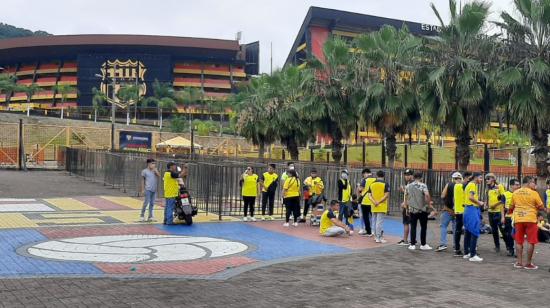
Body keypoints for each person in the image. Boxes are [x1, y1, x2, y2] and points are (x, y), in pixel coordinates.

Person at [510, 176, 548, 269]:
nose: (534, 184)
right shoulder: (534, 193)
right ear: (528, 182)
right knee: (531, 241)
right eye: (533, 183)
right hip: (531, 219)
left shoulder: (515, 193)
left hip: (519, 219)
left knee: (519, 241)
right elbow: (541, 206)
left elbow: (511, 206)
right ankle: (528, 264)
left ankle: (519, 262)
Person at [406, 172, 436, 250]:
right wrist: (429, 203)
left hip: (412, 209)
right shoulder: (423, 185)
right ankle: (423, 244)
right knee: (423, 227)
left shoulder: (408, 186)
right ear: (421, 178)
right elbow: (426, 195)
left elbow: (407, 197)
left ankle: (412, 244)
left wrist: (407, 207)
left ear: (413, 177)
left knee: (413, 226)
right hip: (422, 209)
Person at [436, 172, 462, 251]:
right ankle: (455, 245)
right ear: (460, 178)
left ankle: (443, 244)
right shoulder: (462, 186)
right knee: (456, 228)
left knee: (444, 226)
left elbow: (442, 195)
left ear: (453, 178)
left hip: (448, 209)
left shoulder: (449, 184)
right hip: (457, 210)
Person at [463, 172, 485, 262]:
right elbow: (471, 198)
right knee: (475, 231)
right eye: (480, 178)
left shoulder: (469, 185)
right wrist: (480, 203)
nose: (481, 180)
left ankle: (467, 253)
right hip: (472, 209)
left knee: (468, 231)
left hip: (468, 209)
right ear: (475, 178)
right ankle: (473, 255)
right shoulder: (472, 185)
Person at [485, 173, 506, 253]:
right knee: (494, 230)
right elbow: (488, 198)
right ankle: (497, 246)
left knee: (502, 230)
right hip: (490, 212)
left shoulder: (499, 186)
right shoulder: (488, 188)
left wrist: (495, 205)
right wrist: (486, 205)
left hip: (498, 211)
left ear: (493, 179)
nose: (487, 180)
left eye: (488, 178)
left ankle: (509, 246)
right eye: (486, 179)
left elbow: (503, 199)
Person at [367, 170, 390, 243]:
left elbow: (369, 195)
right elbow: (386, 195)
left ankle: (375, 236)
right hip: (381, 205)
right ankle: (378, 237)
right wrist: (379, 202)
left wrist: (374, 202)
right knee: (379, 222)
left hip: (373, 205)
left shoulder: (372, 184)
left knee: (374, 221)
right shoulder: (385, 184)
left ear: (376, 175)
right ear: (383, 176)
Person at [502, 178, 520, 256]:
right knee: (508, 234)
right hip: (508, 217)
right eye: (516, 184)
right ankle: (510, 249)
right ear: (511, 185)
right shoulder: (505, 194)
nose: (518, 186)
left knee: (517, 234)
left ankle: (517, 251)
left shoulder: (519, 194)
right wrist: (502, 217)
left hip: (517, 217)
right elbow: (502, 207)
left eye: (519, 184)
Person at [398, 169, 414, 246]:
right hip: (411, 206)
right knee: (410, 223)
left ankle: (405, 240)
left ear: (412, 175)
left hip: (408, 207)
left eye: (408, 175)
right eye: (406, 175)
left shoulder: (411, 184)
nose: (406, 176)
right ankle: (412, 240)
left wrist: (405, 203)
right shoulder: (410, 183)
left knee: (406, 223)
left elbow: (411, 195)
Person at [358, 168, 376, 236]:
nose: (363, 176)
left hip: (365, 201)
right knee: (373, 217)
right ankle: (374, 231)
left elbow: (360, 189)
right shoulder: (375, 180)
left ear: (365, 173)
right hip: (373, 201)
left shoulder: (365, 180)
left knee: (365, 217)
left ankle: (368, 231)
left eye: (363, 174)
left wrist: (359, 187)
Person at [452, 171, 466, 257]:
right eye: (457, 179)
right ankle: (467, 248)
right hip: (463, 211)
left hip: (457, 211)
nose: (458, 180)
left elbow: (454, 199)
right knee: (467, 230)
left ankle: (457, 248)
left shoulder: (455, 186)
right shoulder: (460, 186)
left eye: (459, 179)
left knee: (458, 230)